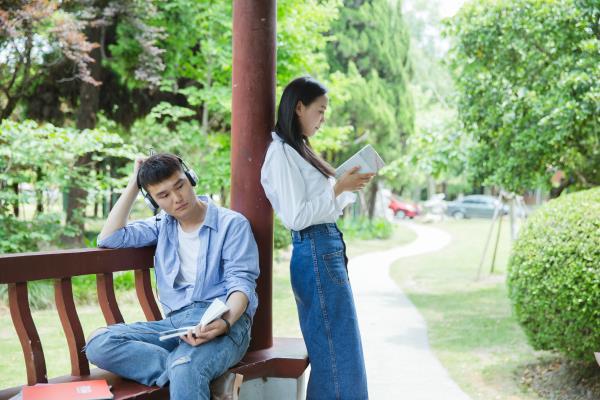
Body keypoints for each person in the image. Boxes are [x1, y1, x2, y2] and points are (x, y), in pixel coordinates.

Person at [85, 153, 259, 400]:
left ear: (190, 179)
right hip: (177, 325)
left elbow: (241, 284)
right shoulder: (161, 225)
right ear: (153, 200)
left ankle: (188, 370)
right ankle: (204, 378)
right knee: (99, 343)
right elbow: (109, 238)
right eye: (163, 195)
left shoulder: (232, 224)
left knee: (185, 366)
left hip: (225, 320)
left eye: (180, 186)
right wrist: (135, 183)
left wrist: (225, 322)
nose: (177, 199)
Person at [260, 76, 374, 399]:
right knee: (336, 358)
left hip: (325, 248)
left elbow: (320, 207)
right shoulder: (280, 153)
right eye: (320, 111)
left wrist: (345, 186)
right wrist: (338, 187)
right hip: (314, 249)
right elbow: (297, 216)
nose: (323, 119)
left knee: (342, 354)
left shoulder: (301, 150)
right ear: (299, 107)